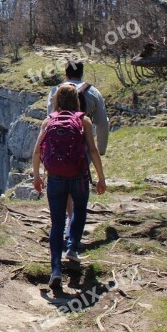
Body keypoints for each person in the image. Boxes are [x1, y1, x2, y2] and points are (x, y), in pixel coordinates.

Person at [33, 84, 106, 290]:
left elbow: (37, 151)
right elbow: (92, 150)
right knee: (80, 210)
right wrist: (101, 177)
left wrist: (37, 176)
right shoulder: (84, 121)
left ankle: (55, 269)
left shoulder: (48, 121)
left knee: (56, 223)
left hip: (55, 178)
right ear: (76, 100)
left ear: (56, 100)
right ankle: (72, 247)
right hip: (79, 177)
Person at [47, 62, 109, 238]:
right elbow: (103, 122)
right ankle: (74, 226)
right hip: (84, 146)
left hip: (58, 146)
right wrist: (101, 148)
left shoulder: (55, 91)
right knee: (77, 179)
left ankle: (68, 220)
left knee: (63, 177)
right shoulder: (93, 92)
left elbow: (49, 119)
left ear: (65, 73)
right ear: (82, 74)